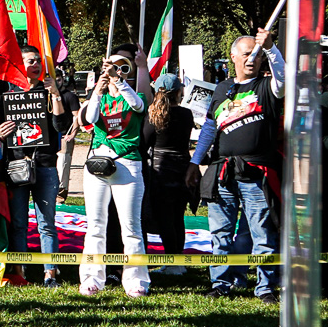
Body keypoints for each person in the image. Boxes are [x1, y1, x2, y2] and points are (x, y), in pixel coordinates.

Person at [188, 31, 286, 303]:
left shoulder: (268, 87)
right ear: (233, 57)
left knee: (262, 233)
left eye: (256, 54)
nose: (252, 59)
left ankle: (265, 287)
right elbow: (210, 126)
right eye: (247, 53)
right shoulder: (222, 89)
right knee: (220, 233)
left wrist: (271, 49)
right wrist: (195, 162)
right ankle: (221, 283)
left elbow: (285, 81)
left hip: (256, 174)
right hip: (222, 172)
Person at [0, 45, 73, 287]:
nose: (35, 64)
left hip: (45, 165)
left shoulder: (49, 92)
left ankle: (50, 272)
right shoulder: (8, 94)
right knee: (19, 222)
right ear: (19, 65)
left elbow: (62, 126)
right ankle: (19, 271)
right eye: (29, 60)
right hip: (17, 166)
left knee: (46, 223)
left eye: (38, 60)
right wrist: (0, 133)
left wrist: (55, 95)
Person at [78, 51, 148, 297]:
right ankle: (91, 277)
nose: (117, 71)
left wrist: (119, 81)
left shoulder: (135, 95)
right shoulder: (100, 96)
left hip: (128, 164)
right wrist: (97, 90)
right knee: (95, 225)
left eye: (123, 67)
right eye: (113, 67)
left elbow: (137, 106)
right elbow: (90, 118)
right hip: (98, 163)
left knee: (131, 227)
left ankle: (135, 279)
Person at [139, 74, 195, 274]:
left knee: (164, 219)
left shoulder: (153, 115)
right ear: (179, 91)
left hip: (160, 171)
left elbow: (143, 144)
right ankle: (177, 261)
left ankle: (172, 262)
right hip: (182, 169)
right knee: (178, 217)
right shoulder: (187, 114)